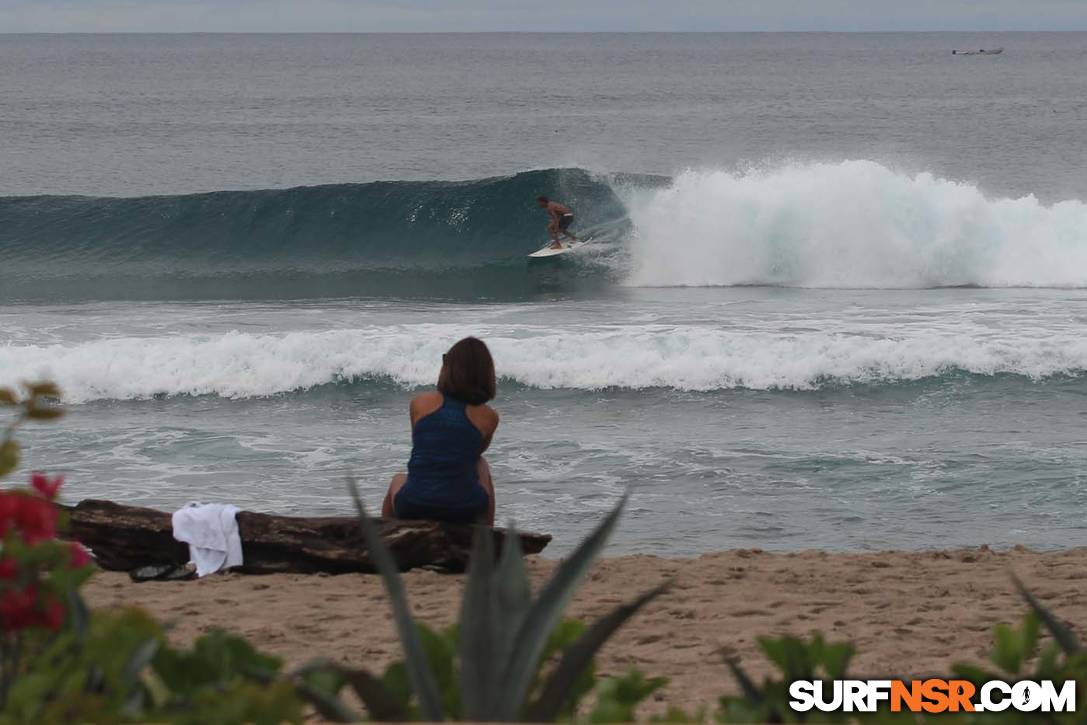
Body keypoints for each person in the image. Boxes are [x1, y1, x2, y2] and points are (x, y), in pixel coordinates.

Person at [382, 337, 499, 526]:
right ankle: (488, 538)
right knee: (481, 464)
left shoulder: (419, 404)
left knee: (398, 479)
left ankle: (385, 540)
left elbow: (425, 448)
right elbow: (474, 454)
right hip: (465, 509)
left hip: (414, 504)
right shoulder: (489, 417)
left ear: (449, 368)